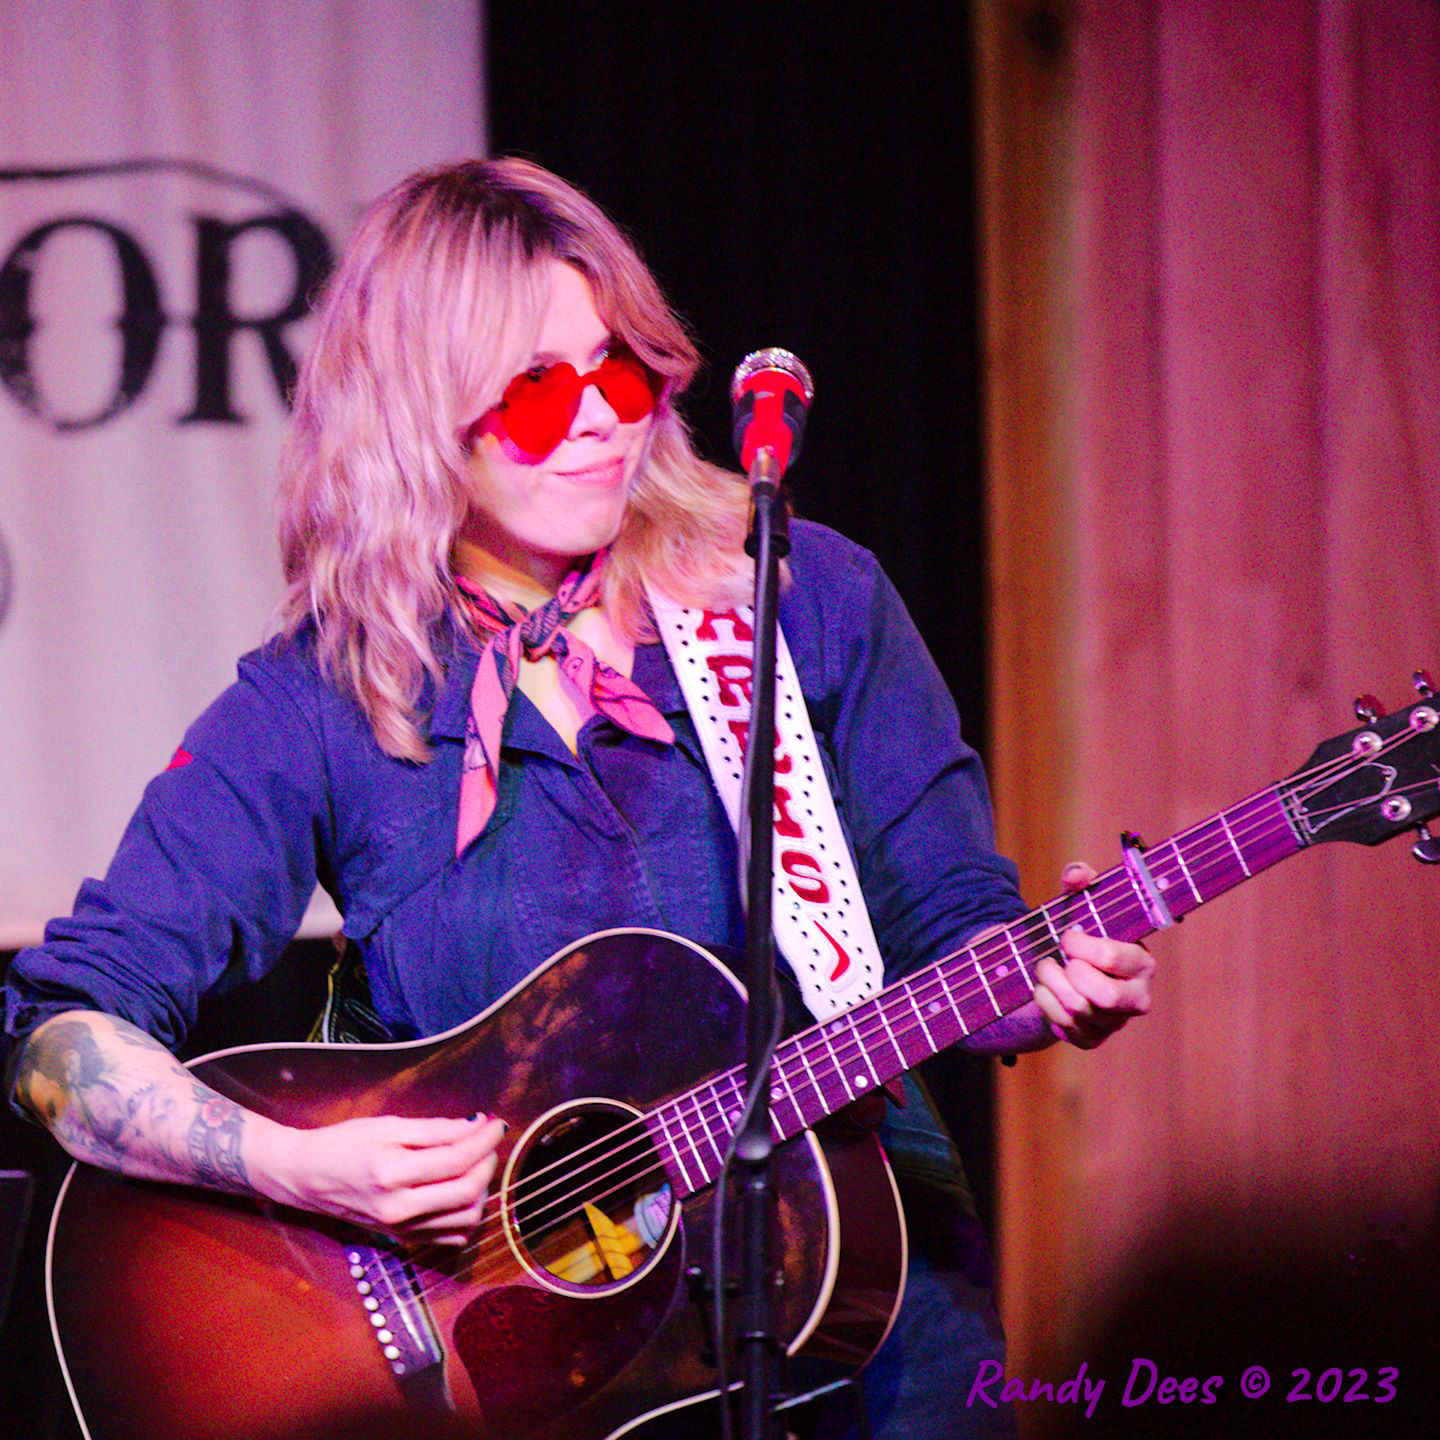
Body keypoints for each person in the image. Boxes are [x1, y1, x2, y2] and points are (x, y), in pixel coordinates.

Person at [0, 159, 1153, 1438]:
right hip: (516, 1357)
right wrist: (294, 1165)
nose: (602, 419)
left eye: (622, 372)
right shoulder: (320, 700)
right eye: (542, 389)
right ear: (410, 416)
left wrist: (1038, 978)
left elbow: (949, 913)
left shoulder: (795, 595)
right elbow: (65, 1029)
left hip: (858, 1298)